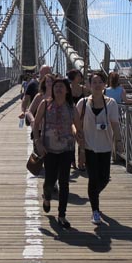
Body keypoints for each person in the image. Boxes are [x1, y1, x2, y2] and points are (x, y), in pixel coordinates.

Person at [76, 71, 120, 225]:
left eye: (100, 82)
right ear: (88, 85)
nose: (96, 85)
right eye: (93, 82)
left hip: (106, 146)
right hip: (89, 147)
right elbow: (75, 124)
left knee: (104, 178)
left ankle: (93, 194)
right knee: (93, 178)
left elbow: (115, 124)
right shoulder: (82, 103)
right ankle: (95, 211)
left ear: (104, 84)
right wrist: (78, 139)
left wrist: (119, 141)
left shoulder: (111, 103)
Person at [33, 78, 76, 228]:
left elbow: (77, 125)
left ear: (67, 90)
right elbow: (36, 123)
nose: (58, 89)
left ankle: (62, 215)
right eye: (56, 86)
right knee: (50, 181)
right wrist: (38, 142)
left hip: (67, 149)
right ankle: (46, 197)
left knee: (64, 183)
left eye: (61, 87)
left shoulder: (71, 107)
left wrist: (80, 138)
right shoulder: (45, 104)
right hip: (49, 149)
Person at [66, 69, 89, 169]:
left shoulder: (84, 89)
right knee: (71, 140)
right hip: (69, 117)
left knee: (81, 137)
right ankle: (72, 161)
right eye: (78, 76)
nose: (80, 78)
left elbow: (91, 99)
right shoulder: (67, 90)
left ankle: (81, 161)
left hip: (82, 117)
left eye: (80, 76)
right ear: (73, 77)